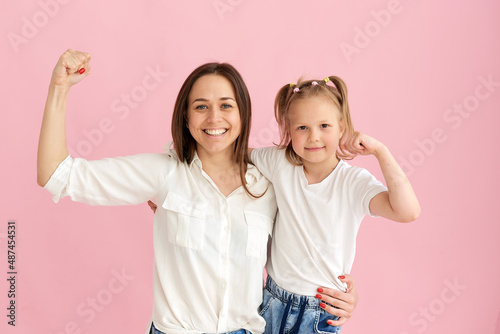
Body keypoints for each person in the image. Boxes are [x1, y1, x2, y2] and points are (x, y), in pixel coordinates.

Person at [37, 49, 358, 334]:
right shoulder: (164, 173)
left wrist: (342, 292)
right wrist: (59, 88)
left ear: (242, 113)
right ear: (186, 117)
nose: (214, 117)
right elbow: (57, 175)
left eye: (226, 105)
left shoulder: (269, 182)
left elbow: (307, 245)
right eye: (201, 106)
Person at [247, 76, 421, 333]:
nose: (313, 137)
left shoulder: (353, 182)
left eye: (324, 125)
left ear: (342, 128)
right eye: (302, 128)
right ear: (288, 131)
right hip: (272, 301)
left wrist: (380, 151)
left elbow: (408, 211)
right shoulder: (279, 163)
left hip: (320, 310)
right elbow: (234, 152)